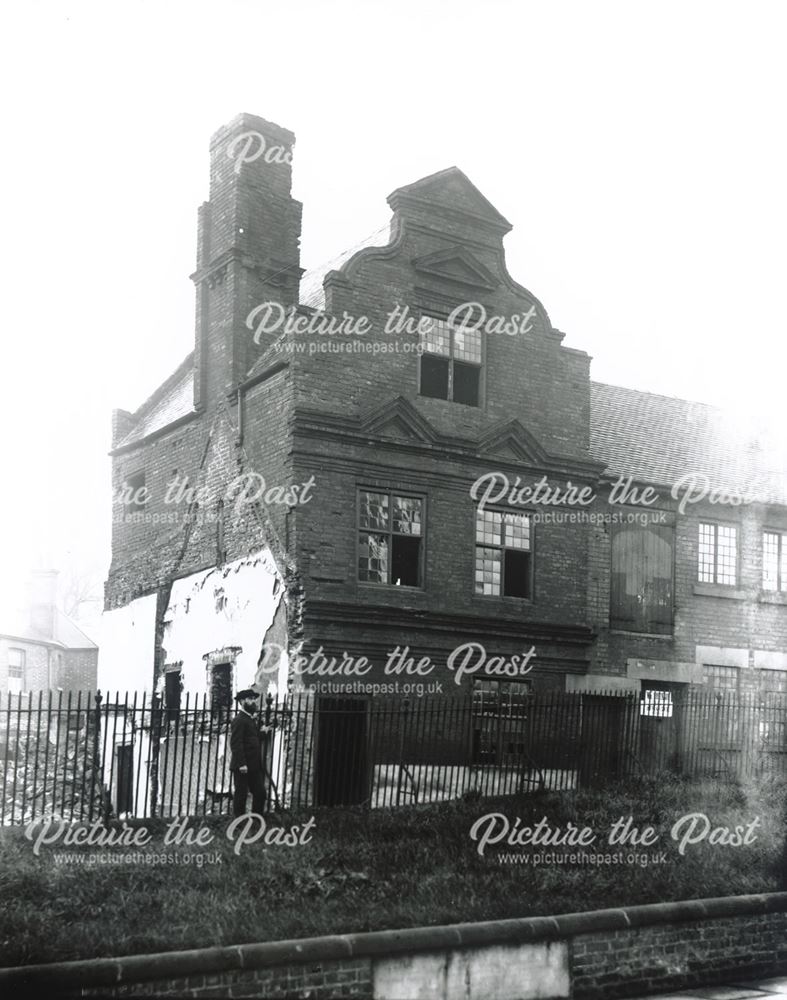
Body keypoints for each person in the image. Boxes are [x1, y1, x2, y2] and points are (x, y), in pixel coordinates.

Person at [230, 688, 270, 816]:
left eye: (254, 699)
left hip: (253, 765)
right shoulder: (239, 720)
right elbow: (236, 744)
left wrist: (263, 733)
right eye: (250, 699)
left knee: (260, 793)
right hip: (243, 765)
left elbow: (252, 738)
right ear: (242, 701)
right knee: (241, 795)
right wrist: (242, 764)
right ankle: (238, 823)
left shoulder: (249, 719)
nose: (253, 701)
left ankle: (256, 819)